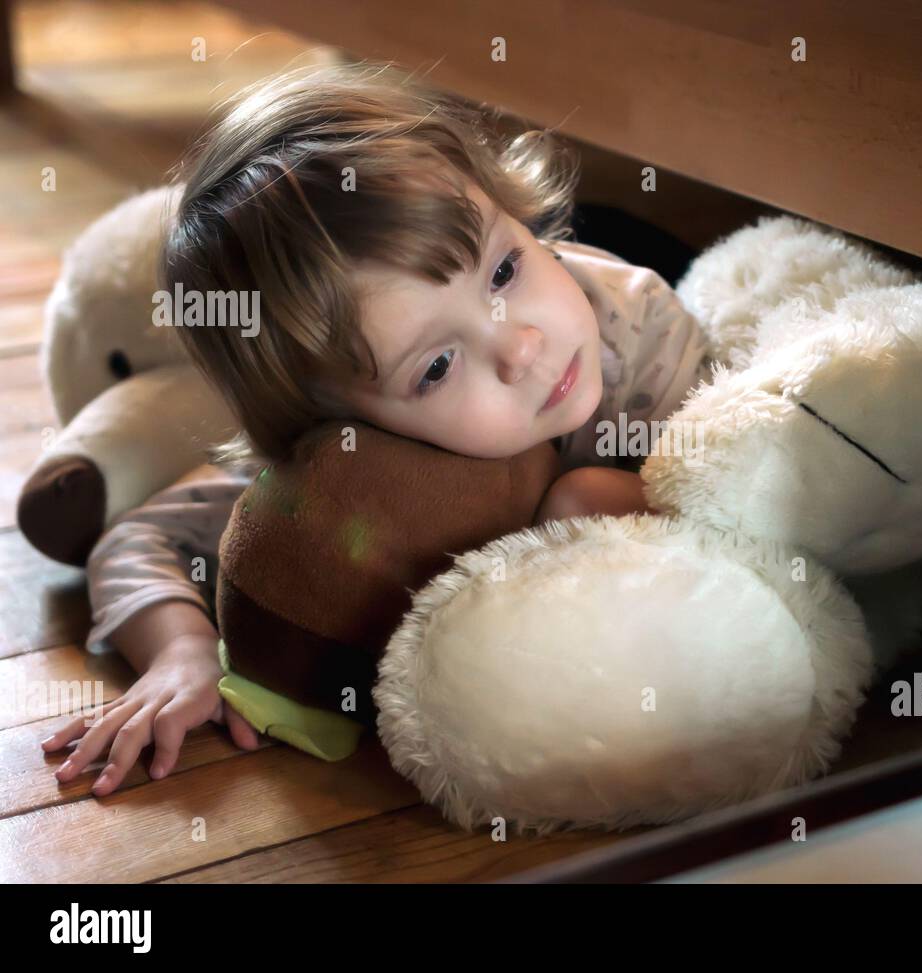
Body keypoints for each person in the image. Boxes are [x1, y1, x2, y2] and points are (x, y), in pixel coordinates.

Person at [42, 61, 713, 795]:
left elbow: (759, 507)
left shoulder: (646, 342)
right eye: (435, 367)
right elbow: (139, 538)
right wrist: (183, 651)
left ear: (513, 210)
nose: (522, 347)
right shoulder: (350, 453)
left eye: (503, 271)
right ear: (338, 424)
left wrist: (587, 503)